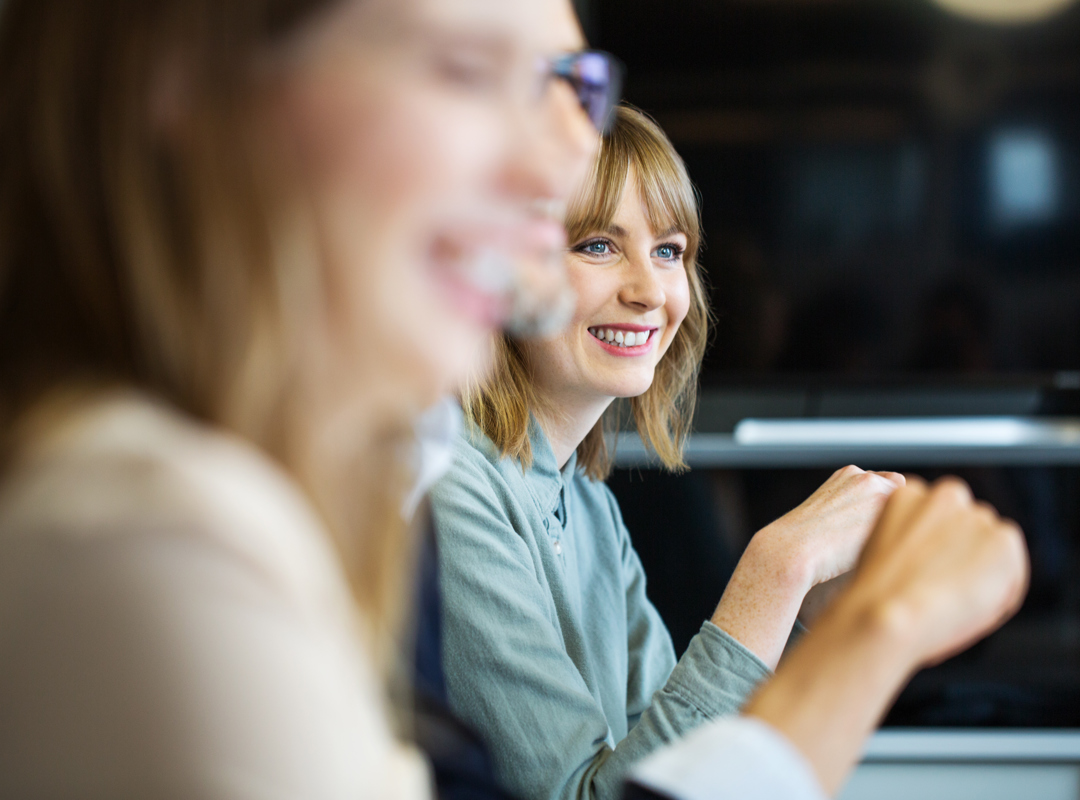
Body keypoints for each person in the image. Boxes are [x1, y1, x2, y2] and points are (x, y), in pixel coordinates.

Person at [0, 0, 606, 794]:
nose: (564, 165)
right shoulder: (151, 529)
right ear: (184, 69)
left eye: (568, 87)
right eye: (465, 69)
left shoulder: (316, 502)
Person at [427, 106, 1023, 800]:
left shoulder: (585, 502)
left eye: (668, 250)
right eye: (597, 245)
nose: (649, 290)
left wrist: (805, 611)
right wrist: (777, 569)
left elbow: (678, 768)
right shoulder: (451, 489)